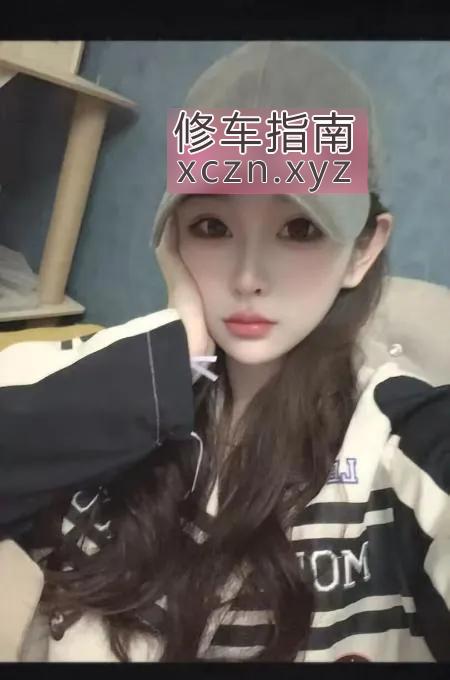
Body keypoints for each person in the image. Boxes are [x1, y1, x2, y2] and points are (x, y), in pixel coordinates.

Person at [1, 41, 449, 663]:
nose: (247, 277)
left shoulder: (402, 438)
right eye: (212, 226)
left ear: (363, 250)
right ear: (173, 238)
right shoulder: (123, 380)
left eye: (300, 229)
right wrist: (175, 358)